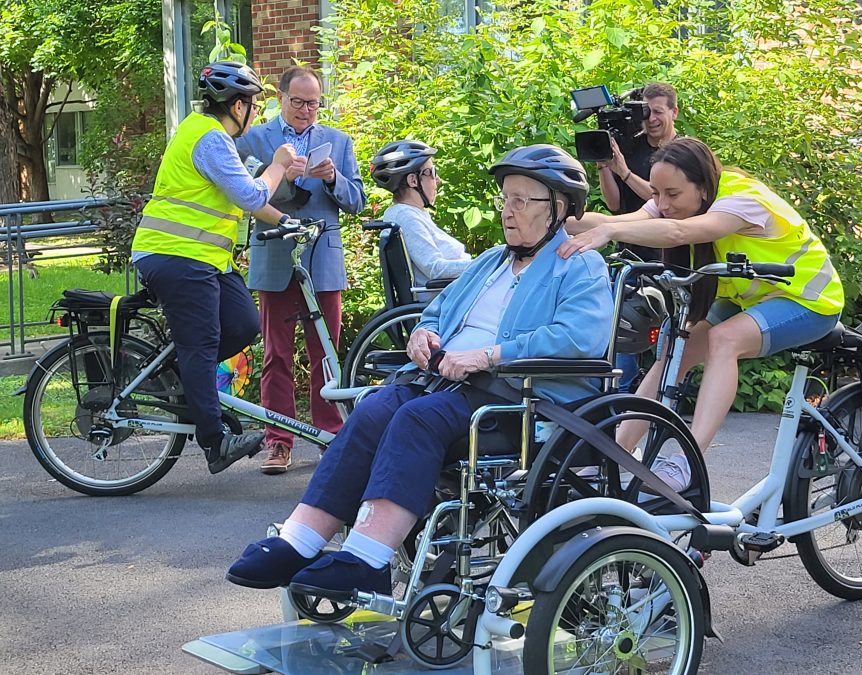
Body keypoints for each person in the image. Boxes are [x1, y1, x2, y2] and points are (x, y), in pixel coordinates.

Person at [226, 145, 613, 597]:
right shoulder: (491, 261)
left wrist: (490, 354)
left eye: (521, 201)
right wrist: (422, 334)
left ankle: (368, 558)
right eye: (505, 199)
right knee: (375, 407)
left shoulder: (579, 264)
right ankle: (300, 539)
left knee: (415, 420)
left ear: (560, 208)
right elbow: (439, 308)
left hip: (519, 399)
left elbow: (578, 337)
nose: (508, 211)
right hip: (449, 384)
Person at [559, 137, 845, 491]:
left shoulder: (744, 200)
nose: (662, 204)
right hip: (751, 298)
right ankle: (615, 453)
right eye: (657, 193)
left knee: (725, 340)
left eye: (672, 194)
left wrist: (611, 231)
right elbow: (619, 219)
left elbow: (679, 232)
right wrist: (550, 218)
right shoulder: (675, 200)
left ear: (703, 186)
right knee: (673, 350)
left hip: (809, 299)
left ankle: (688, 461)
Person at [131, 61, 297, 474]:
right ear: (237, 105)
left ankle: (185, 376)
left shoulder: (210, 136)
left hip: (204, 259)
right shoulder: (208, 138)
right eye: (254, 105)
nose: (256, 113)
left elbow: (250, 200)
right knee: (202, 344)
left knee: (243, 325)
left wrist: (288, 222)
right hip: (176, 254)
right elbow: (249, 193)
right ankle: (215, 442)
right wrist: (278, 165)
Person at [235, 66, 366, 475]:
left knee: (326, 354)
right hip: (275, 255)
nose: (307, 110)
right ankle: (279, 442)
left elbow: (357, 201)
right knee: (276, 354)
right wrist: (277, 175)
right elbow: (241, 194)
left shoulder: (338, 141)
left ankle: (330, 435)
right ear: (280, 98)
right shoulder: (254, 139)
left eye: (314, 103)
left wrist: (334, 179)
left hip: (322, 259)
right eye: (298, 102)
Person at [597, 82, 680, 392]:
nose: (652, 119)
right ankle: (620, 394)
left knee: (669, 334)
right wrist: (606, 167)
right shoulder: (631, 146)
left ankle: (663, 392)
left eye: (658, 112)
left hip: (668, 254)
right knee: (620, 327)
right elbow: (614, 204)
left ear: (674, 111)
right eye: (647, 112)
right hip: (629, 253)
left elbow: (663, 202)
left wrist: (625, 173)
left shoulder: (683, 152)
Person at [369, 140, 471, 302]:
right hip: (444, 306)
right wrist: (484, 263)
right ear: (413, 180)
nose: (438, 180)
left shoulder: (412, 214)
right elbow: (435, 269)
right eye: (432, 172)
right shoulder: (405, 216)